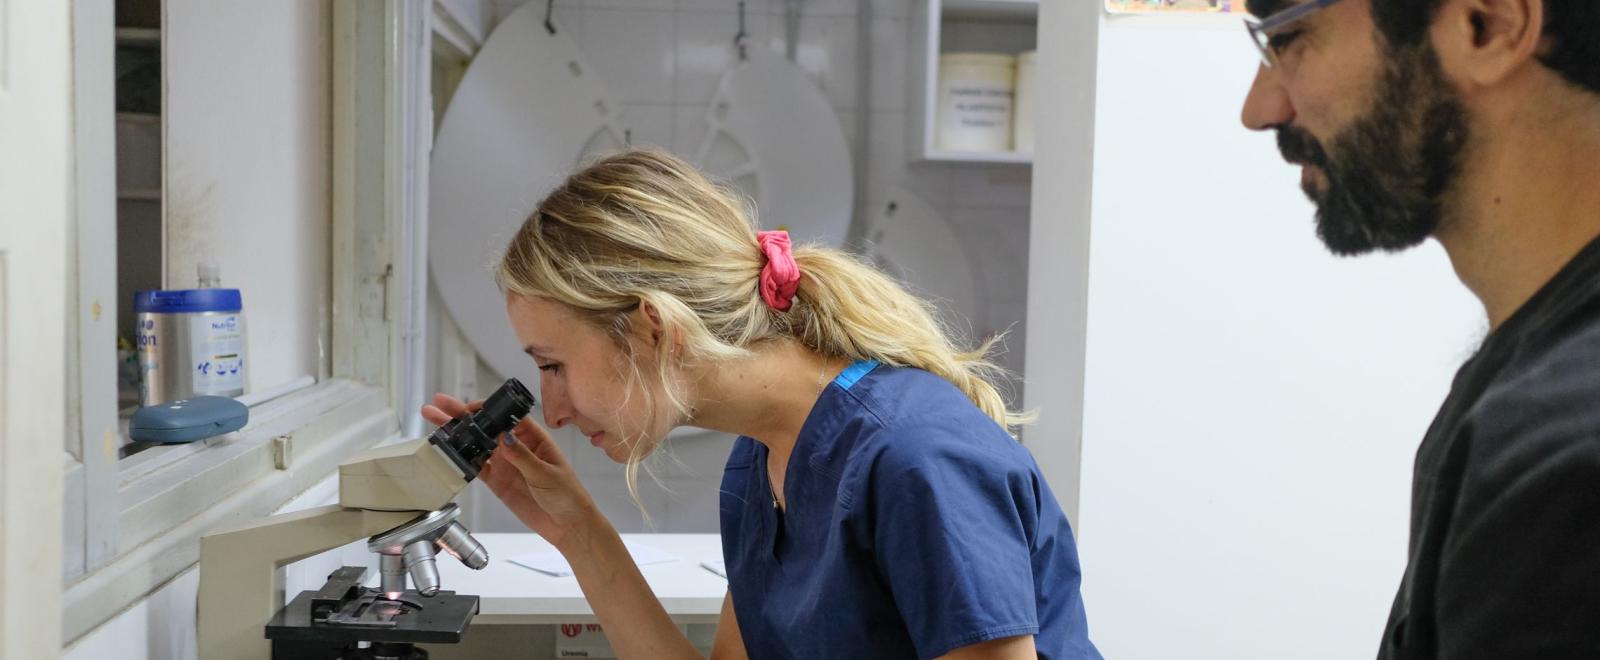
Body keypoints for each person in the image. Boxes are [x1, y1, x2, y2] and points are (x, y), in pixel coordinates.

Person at [422, 148, 1101, 660]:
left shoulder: (915, 459)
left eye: (554, 365)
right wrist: (576, 531)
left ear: (651, 327)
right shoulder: (763, 460)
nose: (555, 409)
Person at [1240, 0, 1600, 656]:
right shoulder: (1520, 375)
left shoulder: (1566, 460)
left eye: (1288, 40)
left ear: (1488, 26)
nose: (1261, 108)